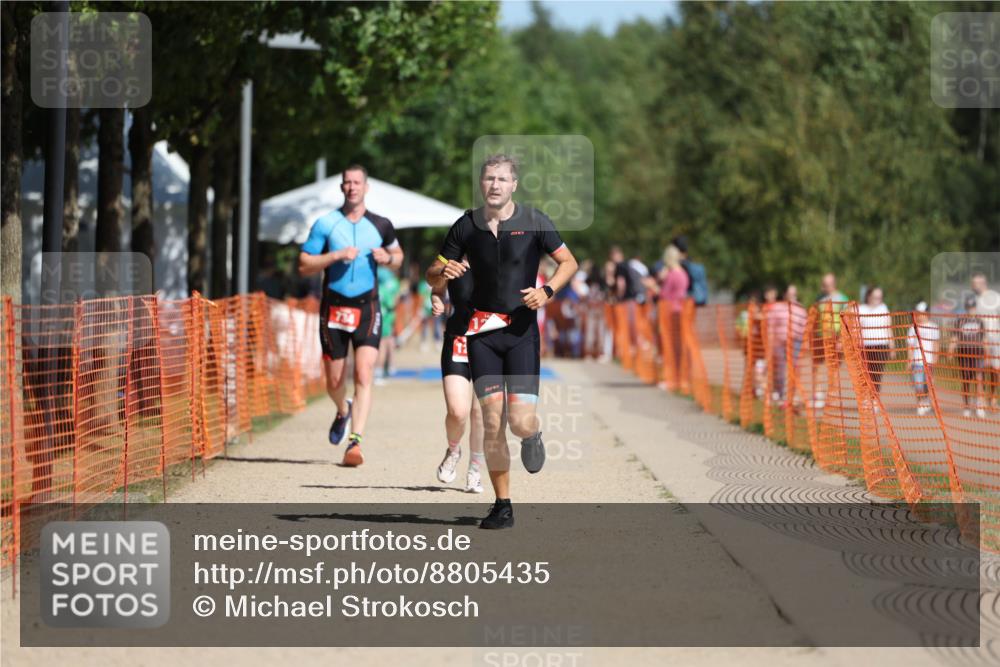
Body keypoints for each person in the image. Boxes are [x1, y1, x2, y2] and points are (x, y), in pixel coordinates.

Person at [426, 154, 578, 529]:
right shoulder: (466, 225)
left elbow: (569, 263)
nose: (495, 184)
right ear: (481, 183)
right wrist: (442, 271)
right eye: (489, 178)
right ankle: (502, 505)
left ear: (514, 185)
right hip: (482, 336)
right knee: (492, 421)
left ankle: (532, 434)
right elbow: (433, 274)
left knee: (520, 422)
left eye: (502, 179)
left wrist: (547, 291)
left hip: (521, 335)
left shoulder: (534, 221)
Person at [297, 164, 404, 466]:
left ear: (366, 187)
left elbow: (399, 256)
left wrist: (388, 258)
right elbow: (304, 264)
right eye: (347, 182)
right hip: (334, 308)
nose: (352, 187)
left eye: (357, 182)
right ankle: (343, 410)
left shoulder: (381, 224)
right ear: (341, 187)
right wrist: (335, 255)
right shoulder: (326, 224)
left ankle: (355, 442)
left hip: (368, 307)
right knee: (334, 380)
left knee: (364, 373)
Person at [430, 258, 486, 493]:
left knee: (480, 412)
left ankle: (475, 469)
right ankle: (453, 450)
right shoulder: (454, 257)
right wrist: (437, 300)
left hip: (489, 341)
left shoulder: (502, 252)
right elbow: (436, 287)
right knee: (457, 412)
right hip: (458, 339)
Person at [811, 272, 849, 409]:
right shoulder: (819, 299)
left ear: (834, 284)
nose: (825, 287)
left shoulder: (842, 298)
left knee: (834, 367)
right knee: (817, 366)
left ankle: (831, 395)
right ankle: (818, 394)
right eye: (824, 284)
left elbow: (846, 320)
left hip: (836, 337)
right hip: (821, 337)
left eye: (827, 284)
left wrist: (841, 340)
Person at [658, 244, 689, 390]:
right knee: (678, 347)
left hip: (670, 312)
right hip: (680, 311)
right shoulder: (683, 273)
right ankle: (679, 378)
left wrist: (655, 285)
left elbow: (664, 294)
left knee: (670, 347)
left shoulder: (672, 274)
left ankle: (672, 379)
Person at [856, 286, 892, 413]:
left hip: (881, 345)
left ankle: (874, 399)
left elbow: (888, 327)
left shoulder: (883, 308)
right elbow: (857, 328)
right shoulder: (861, 309)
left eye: (880, 297)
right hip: (865, 346)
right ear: (869, 296)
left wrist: (892, 344)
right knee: (866, 374)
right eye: (875, 297)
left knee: (877, 375)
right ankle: (866, 399)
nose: (878, 299)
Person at [952, 294, 987, 419]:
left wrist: (987, 353)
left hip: (978, 353)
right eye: (969, 307)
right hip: (964, 354)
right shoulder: (960, 321)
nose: (971, 309)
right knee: (966, 381)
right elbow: (955, 337)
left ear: (975, 307)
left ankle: (979, 405)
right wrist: (951, 350)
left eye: (973, 307)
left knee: (979, 379)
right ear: (966, 307)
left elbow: (984, 339)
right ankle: (967, 406)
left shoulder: (980, 321)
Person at [971, 272, 1000, 412]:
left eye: (975, 283)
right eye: (972, 283)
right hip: (980, 340)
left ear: (982, 283)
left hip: (995, 339)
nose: (973, 286)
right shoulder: (973, 300)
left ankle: (993, 398)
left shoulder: (995, 297)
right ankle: (981, 399)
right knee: (980, 370)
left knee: (995, 370)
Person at [907, 301, 940, 416]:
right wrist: (909, 361)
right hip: (917, 362)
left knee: (928, 384)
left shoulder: (933, 327)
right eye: (918, 313)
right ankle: (920, 403)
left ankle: (926, 400)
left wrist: (935, 358)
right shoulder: (913, 328)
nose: (920, 316)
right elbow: (910, 346)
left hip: (929, 361)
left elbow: (936, 344)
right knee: (918, 384)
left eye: (922, 313)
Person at [375, 265, 402, 385]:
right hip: (385, 320)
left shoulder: (375, 288)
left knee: (386, 343)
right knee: (383, 345)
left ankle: (387, 367)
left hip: (376, 319)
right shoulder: (386, 289)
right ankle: (380, 371)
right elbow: (392, 304)